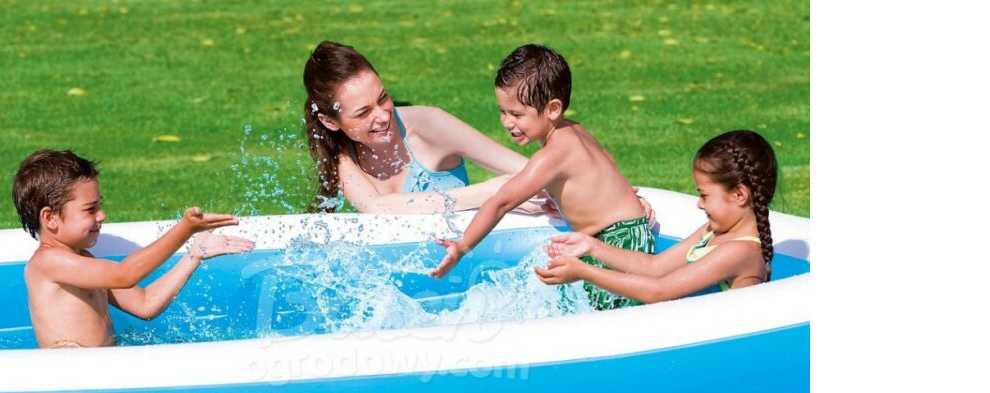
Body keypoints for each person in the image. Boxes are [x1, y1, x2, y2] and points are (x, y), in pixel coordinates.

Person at [428, 44, 654, 312]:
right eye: (502, 111)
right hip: (626, 233)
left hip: (616, 240)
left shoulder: (553, 155)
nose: (507, 122)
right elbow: (606, 164)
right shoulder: (575, 130)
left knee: (608, 317)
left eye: (516, 114)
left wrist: (462, 246)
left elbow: (501, 202)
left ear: (553, 108)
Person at [12, 149, 254, 348]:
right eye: (90, 209)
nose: (102, 215)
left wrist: (194, 254)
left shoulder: (83, 259)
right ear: (50, 218)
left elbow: (145, 304)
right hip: (75, 381)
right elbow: (125, 275)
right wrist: (185, 229)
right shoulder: (48, 263)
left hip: (99, 372)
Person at [303, 40, 550, 215]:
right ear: (330, 121)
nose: (382, 116)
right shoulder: (340, 155)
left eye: (382, 98)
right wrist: (486, 193)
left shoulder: (430, 125)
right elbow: (376, 208)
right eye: (363, 112)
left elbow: (540, 172)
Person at [534, 130, 777, 302]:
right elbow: (654, 267)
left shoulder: (739, 251)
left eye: (704, 195)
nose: (699, 204)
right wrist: (592, 246)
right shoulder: (712, 232)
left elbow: (658, 291)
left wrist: (584, 272)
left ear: (739, 195)